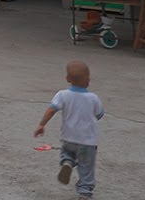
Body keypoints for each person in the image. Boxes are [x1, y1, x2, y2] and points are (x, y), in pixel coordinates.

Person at [35, 60, 105, 199]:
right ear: (88, 80)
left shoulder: (62, 95)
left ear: (67, 79)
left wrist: (41, 125)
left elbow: (51, 109)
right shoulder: (93, 98)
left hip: (68, 138)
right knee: (86, 167)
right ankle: (84, 192)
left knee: (67, 152)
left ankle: (68, 161)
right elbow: (99, 114)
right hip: (87, 142)